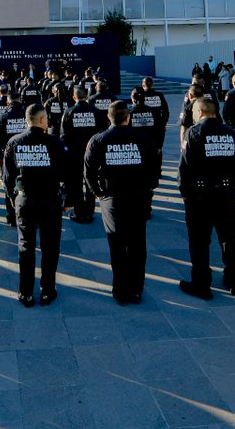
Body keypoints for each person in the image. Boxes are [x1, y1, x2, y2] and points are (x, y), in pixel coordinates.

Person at [85, 101, 154, 305]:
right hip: (137, 196)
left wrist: (97, 193)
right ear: (128, 117)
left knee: (116, 243)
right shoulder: (142, 138)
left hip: (112, 198)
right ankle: (135, 290)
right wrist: (148, 188)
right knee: (137, 244)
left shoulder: (98, 139)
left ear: (109, 117)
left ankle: (121, 290)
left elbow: (88, 171)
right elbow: (153, 165)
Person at [178, 97, 235, 299]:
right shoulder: (231, 133)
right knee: (230, 239)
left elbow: (185, 167)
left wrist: (186, 194)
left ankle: (201, 284)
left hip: (200, 196)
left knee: (199, 241)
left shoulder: (193, 132)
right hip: (225, 195)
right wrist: (232, 186)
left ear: (199, 112)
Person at [2, 104, 67, 307]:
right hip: (49, 200)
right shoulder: (54, 142)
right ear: (41, 120)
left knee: (26, 246)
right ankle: (47, 290)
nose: (47, 122)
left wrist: (14, 198)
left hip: (25, 199)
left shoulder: (14, 142)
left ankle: (26, 292)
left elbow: (7, 177)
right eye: (46, 119)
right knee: (50, 246)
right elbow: (65, 173)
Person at [60, 86, 105, 224]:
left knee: (76, 183)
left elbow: (63, 136)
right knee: (90, 180)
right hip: (93, 153)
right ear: (86, 96)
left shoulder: (68, 112)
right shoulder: (96, 112)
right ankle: (89, 211)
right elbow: (103, 132)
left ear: (74, 97)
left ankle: (79, 212)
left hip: (75, 155)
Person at [0, 92, 28, 225]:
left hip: (8, 157)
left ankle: (12, 215)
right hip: (26, 155)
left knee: (9, 183)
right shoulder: (27, 114)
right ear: (20, 100)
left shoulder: (3, 117)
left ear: (8, 102)